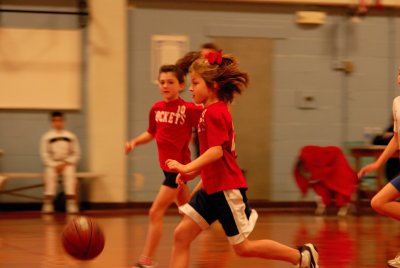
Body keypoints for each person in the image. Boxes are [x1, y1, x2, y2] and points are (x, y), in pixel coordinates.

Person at [165, 51, 319, 268]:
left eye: (196, 83)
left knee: (243, 248)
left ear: (214, 85)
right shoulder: (207, 112)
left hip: (226, 190)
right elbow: (218, 156)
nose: (190, 88)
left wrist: (186, 165)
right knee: (181, 235)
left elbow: (217, 152)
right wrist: (192, 174)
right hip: (211, 189)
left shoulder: (215, 112)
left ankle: (302, 257)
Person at [125, 64, 202, 268]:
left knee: (155, 212)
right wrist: (134, 142)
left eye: (170, 82)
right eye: (162, 82)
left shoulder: (188, 109)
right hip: (166, 167)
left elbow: (209, 117)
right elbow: (151, 132)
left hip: (177, 171)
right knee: (187, 212)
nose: (165, 86)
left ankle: (146, 261)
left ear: (181, 85)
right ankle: (207, 214)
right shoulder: (156, 108)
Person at [358, 67, 400, 268]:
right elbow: (396, 139)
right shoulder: (397, 103)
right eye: (399, 73)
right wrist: (377, 163)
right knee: (378, 202)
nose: (399, 77)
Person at [40, 111, 81, 214]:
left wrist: (66, 163)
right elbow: (44, 154)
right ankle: (48, 203)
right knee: (49, 176)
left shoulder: (71, 136)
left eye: (59, 120)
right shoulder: (47, 137)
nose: (57, 123)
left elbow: (76, 153)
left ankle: (71, 203)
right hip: (52, 164)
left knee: (70, 176)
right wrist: (53, 164)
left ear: (63, 122)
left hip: (67, 163)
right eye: (55, 121)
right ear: (51, 122)